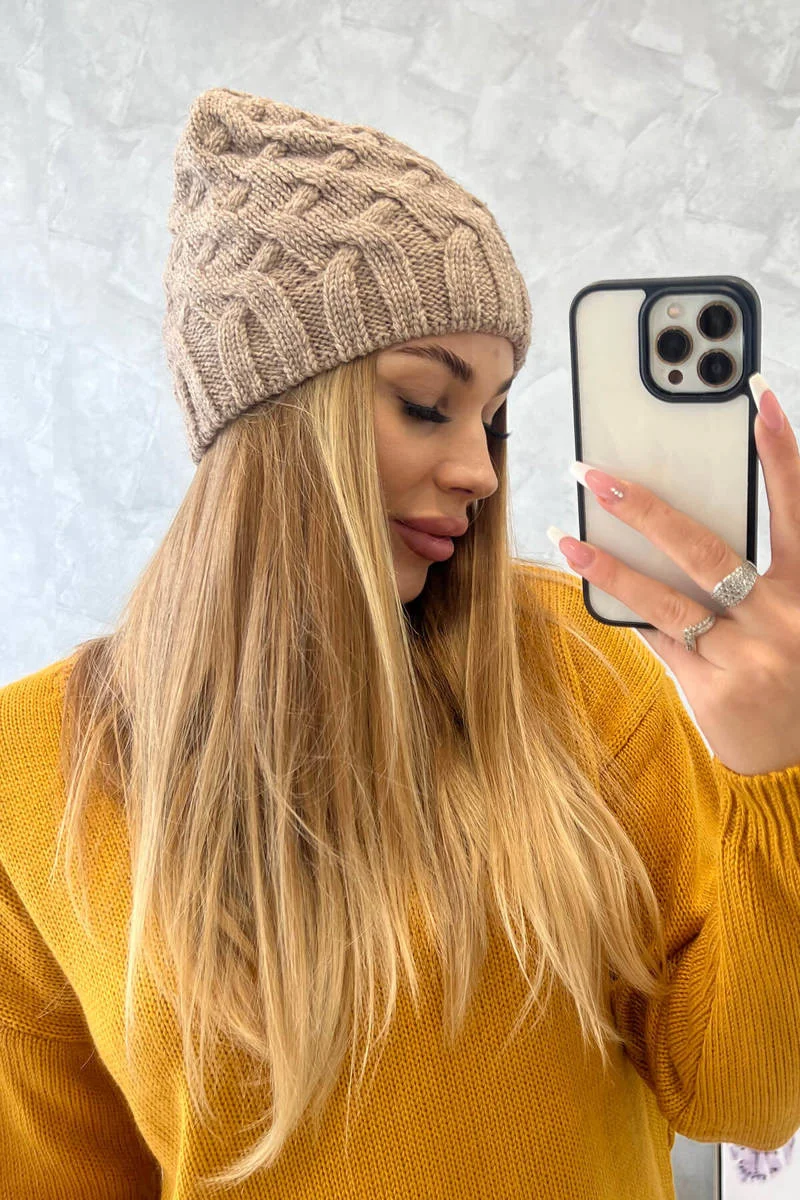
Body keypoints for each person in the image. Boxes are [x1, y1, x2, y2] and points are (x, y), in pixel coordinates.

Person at [1, 86, 799, 1200]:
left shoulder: (583, 671)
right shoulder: (32, 765)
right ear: (271, 419)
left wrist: (775, 770)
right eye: (427, 403)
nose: (479, 470)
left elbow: (744, 1101)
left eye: (494, 417)